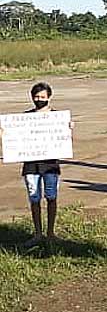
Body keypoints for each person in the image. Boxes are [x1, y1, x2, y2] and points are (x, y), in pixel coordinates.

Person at [6, 82, 73, 247]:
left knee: (51, 197)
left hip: (50, 165)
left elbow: (65, 140)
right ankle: (38, 233)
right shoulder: (25, 117)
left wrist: (69, 128)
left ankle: (50, 233)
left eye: (42, 97)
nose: (39, 100)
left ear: (49, 97)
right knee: (34, 198)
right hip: (31, 166)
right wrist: (6, 133)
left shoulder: (57, 117)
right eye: (36, 97)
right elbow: (15, 137)